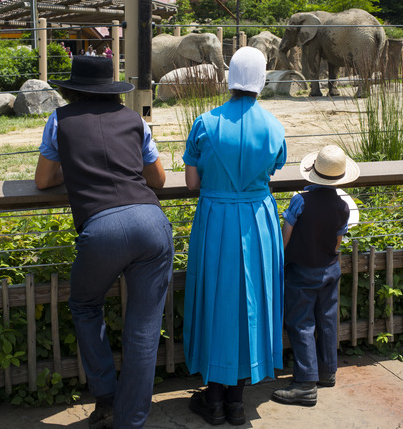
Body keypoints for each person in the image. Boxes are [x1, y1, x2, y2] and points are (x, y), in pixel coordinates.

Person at [34, 55, 174, 429]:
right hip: (151, 221)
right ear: (112, 89)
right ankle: (131, 421)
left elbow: (43, 180)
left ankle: (107, 398)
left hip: (101, 228)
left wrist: (78, 166)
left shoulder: (59, 121)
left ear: (71, 89)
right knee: (143, 331)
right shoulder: (134, 121)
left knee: (84, 305)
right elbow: (157, 180)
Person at [182, 46, 286, 426]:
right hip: (258, 222)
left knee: (215, 300)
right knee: (253, 302)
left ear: (230, 78)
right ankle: (238, 404)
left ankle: (213, 400)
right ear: (261, 79)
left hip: (215, 220)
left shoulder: (204, 123)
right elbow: (272, 170)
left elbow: (192, 182)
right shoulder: (275, 126)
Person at [271, 145, 360, 407]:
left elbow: (286, 236)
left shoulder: (300, 201)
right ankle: (327, 372)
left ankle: (306, 384)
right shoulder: (343, 206)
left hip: (302, 270)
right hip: (329, 269)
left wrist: (280, 259)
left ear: (313, 171)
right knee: (327, 320)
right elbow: (336, 243)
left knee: (301, 323)